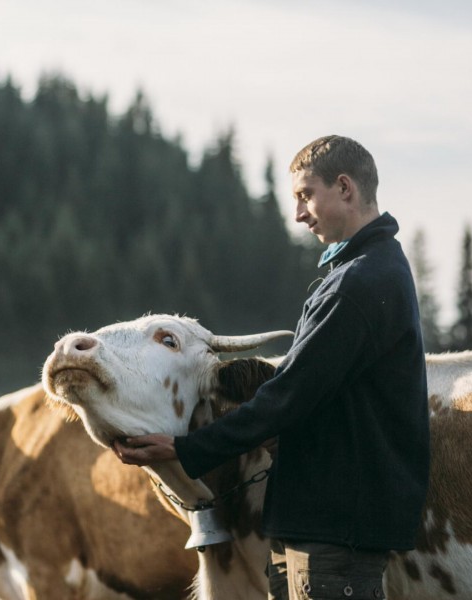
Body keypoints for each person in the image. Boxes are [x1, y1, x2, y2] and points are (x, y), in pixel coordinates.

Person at [112, 135, 430, 600]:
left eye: (305, 195)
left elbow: (287, 397)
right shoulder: (370, 270)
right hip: (328, 522)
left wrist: (185, 449)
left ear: (344, 187)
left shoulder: (358, 285)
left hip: (333, 527)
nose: (299, 214)